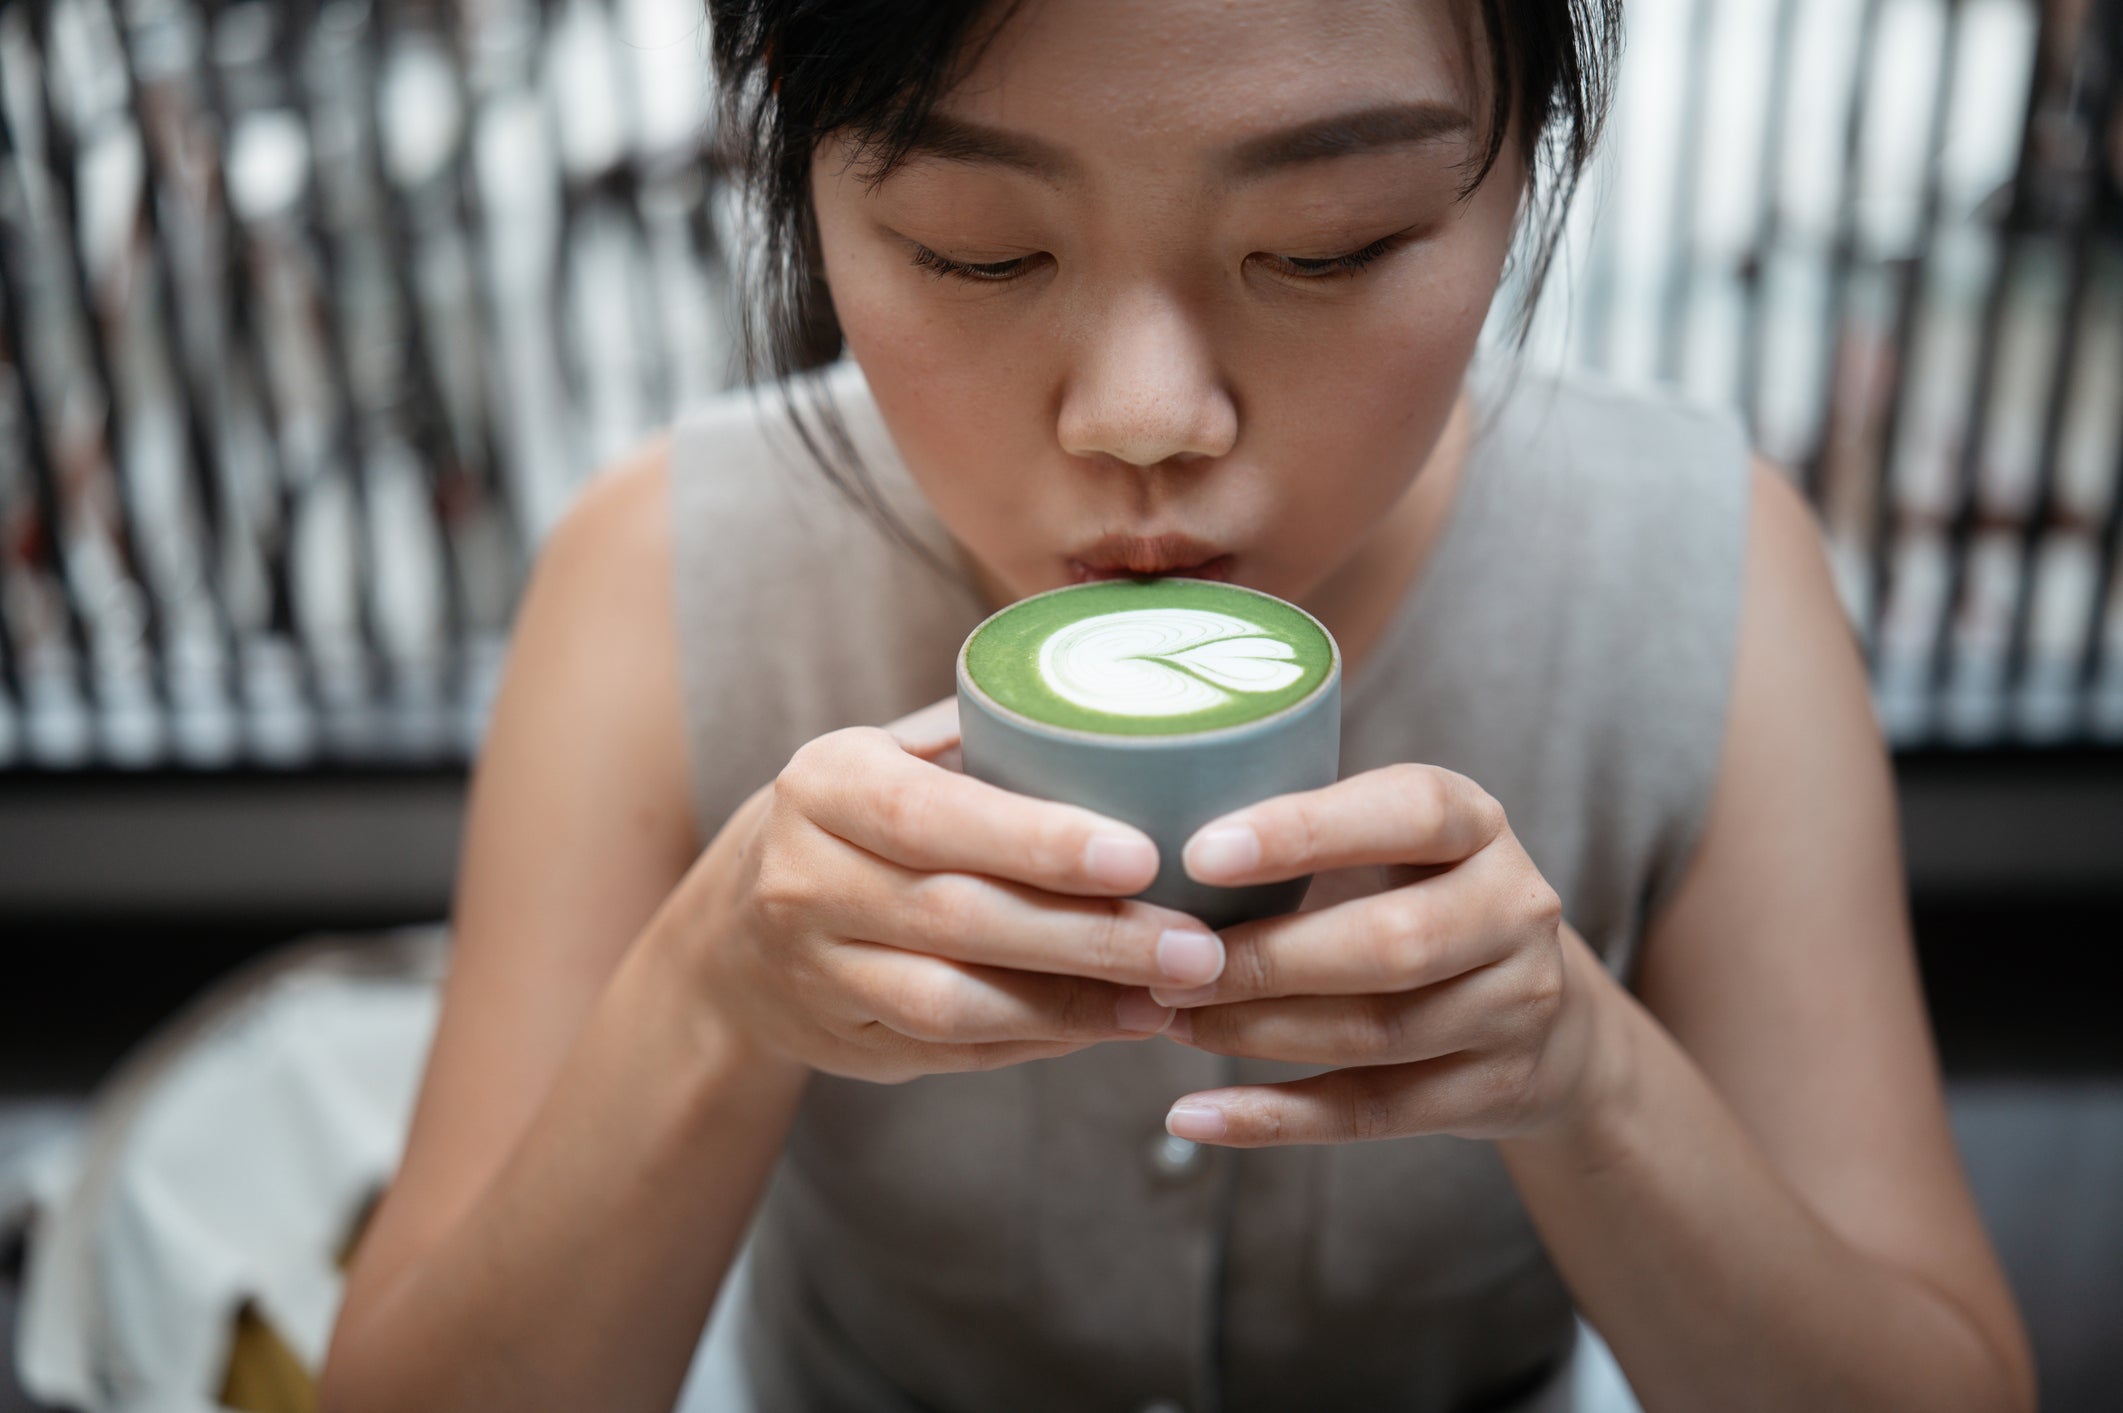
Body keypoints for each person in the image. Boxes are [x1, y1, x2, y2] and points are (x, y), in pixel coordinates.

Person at [318, 1, 2037, 1410]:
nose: (1146, 416)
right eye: (975, 253)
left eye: (1329, 245)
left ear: (1527, 166)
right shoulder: (658, 577)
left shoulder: (1700, 577)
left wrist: (1585, 1074)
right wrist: (713, 995)